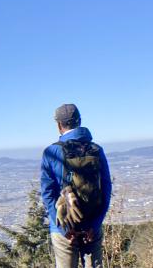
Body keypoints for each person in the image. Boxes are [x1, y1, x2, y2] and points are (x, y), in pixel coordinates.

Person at [40, 104, 112, 268]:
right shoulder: (96, 150)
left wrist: (63, 228)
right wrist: (95, 224)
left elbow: (47, 194)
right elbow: (106, 189)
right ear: (79, 121)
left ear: (59, 125)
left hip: (64, 229)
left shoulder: (51, 152)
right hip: (91, 224)